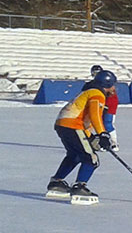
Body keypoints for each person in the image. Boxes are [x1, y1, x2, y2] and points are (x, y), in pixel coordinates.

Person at [46, 70, 117, 205]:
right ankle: (80, 186)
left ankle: (57, 182)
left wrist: (90, 136)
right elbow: (95, 115)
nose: (114, 89)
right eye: (112, 85)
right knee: (91, 158)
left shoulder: (89, 91)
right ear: (106, 85)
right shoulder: (97, 95)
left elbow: (86, 118)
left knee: (74, 155)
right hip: (73, 125)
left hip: (63, 123)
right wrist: (102, 133)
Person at [88, 65, 120, 151]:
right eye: (94, 73)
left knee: (107, 123)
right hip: (99, 106)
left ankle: (114, 143)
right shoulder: (92, 84)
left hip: (109, 106)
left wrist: (106, 105)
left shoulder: (107, 83)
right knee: (98, 123)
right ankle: (102, 142)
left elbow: (112, 96)